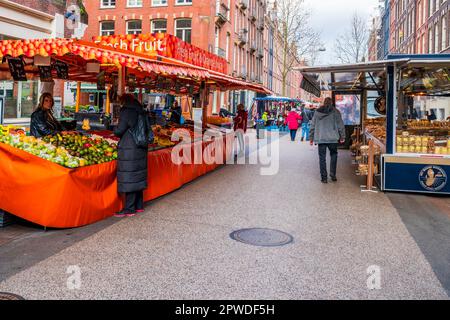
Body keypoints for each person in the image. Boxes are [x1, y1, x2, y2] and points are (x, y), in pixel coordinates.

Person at [114, 94, 149, 217]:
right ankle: (139, 206)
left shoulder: (126, 111)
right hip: (141, 147)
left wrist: (115, 129)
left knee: (130, 176)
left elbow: (119, 130)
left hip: (130, 147)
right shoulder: (141, 111)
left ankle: (129, 208)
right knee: (138, 175)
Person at [309, 97, 346, 183]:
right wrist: (342, 136)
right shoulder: (336, 112)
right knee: (334, 156)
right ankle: (333, 175)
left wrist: (311, 138)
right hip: (333, 139)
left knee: (322, 158)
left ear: (324, 103)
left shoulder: (317, 112)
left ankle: (324, 178)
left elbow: (312, 125)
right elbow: (341, 125)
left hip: (321, 139)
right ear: (332, 103)